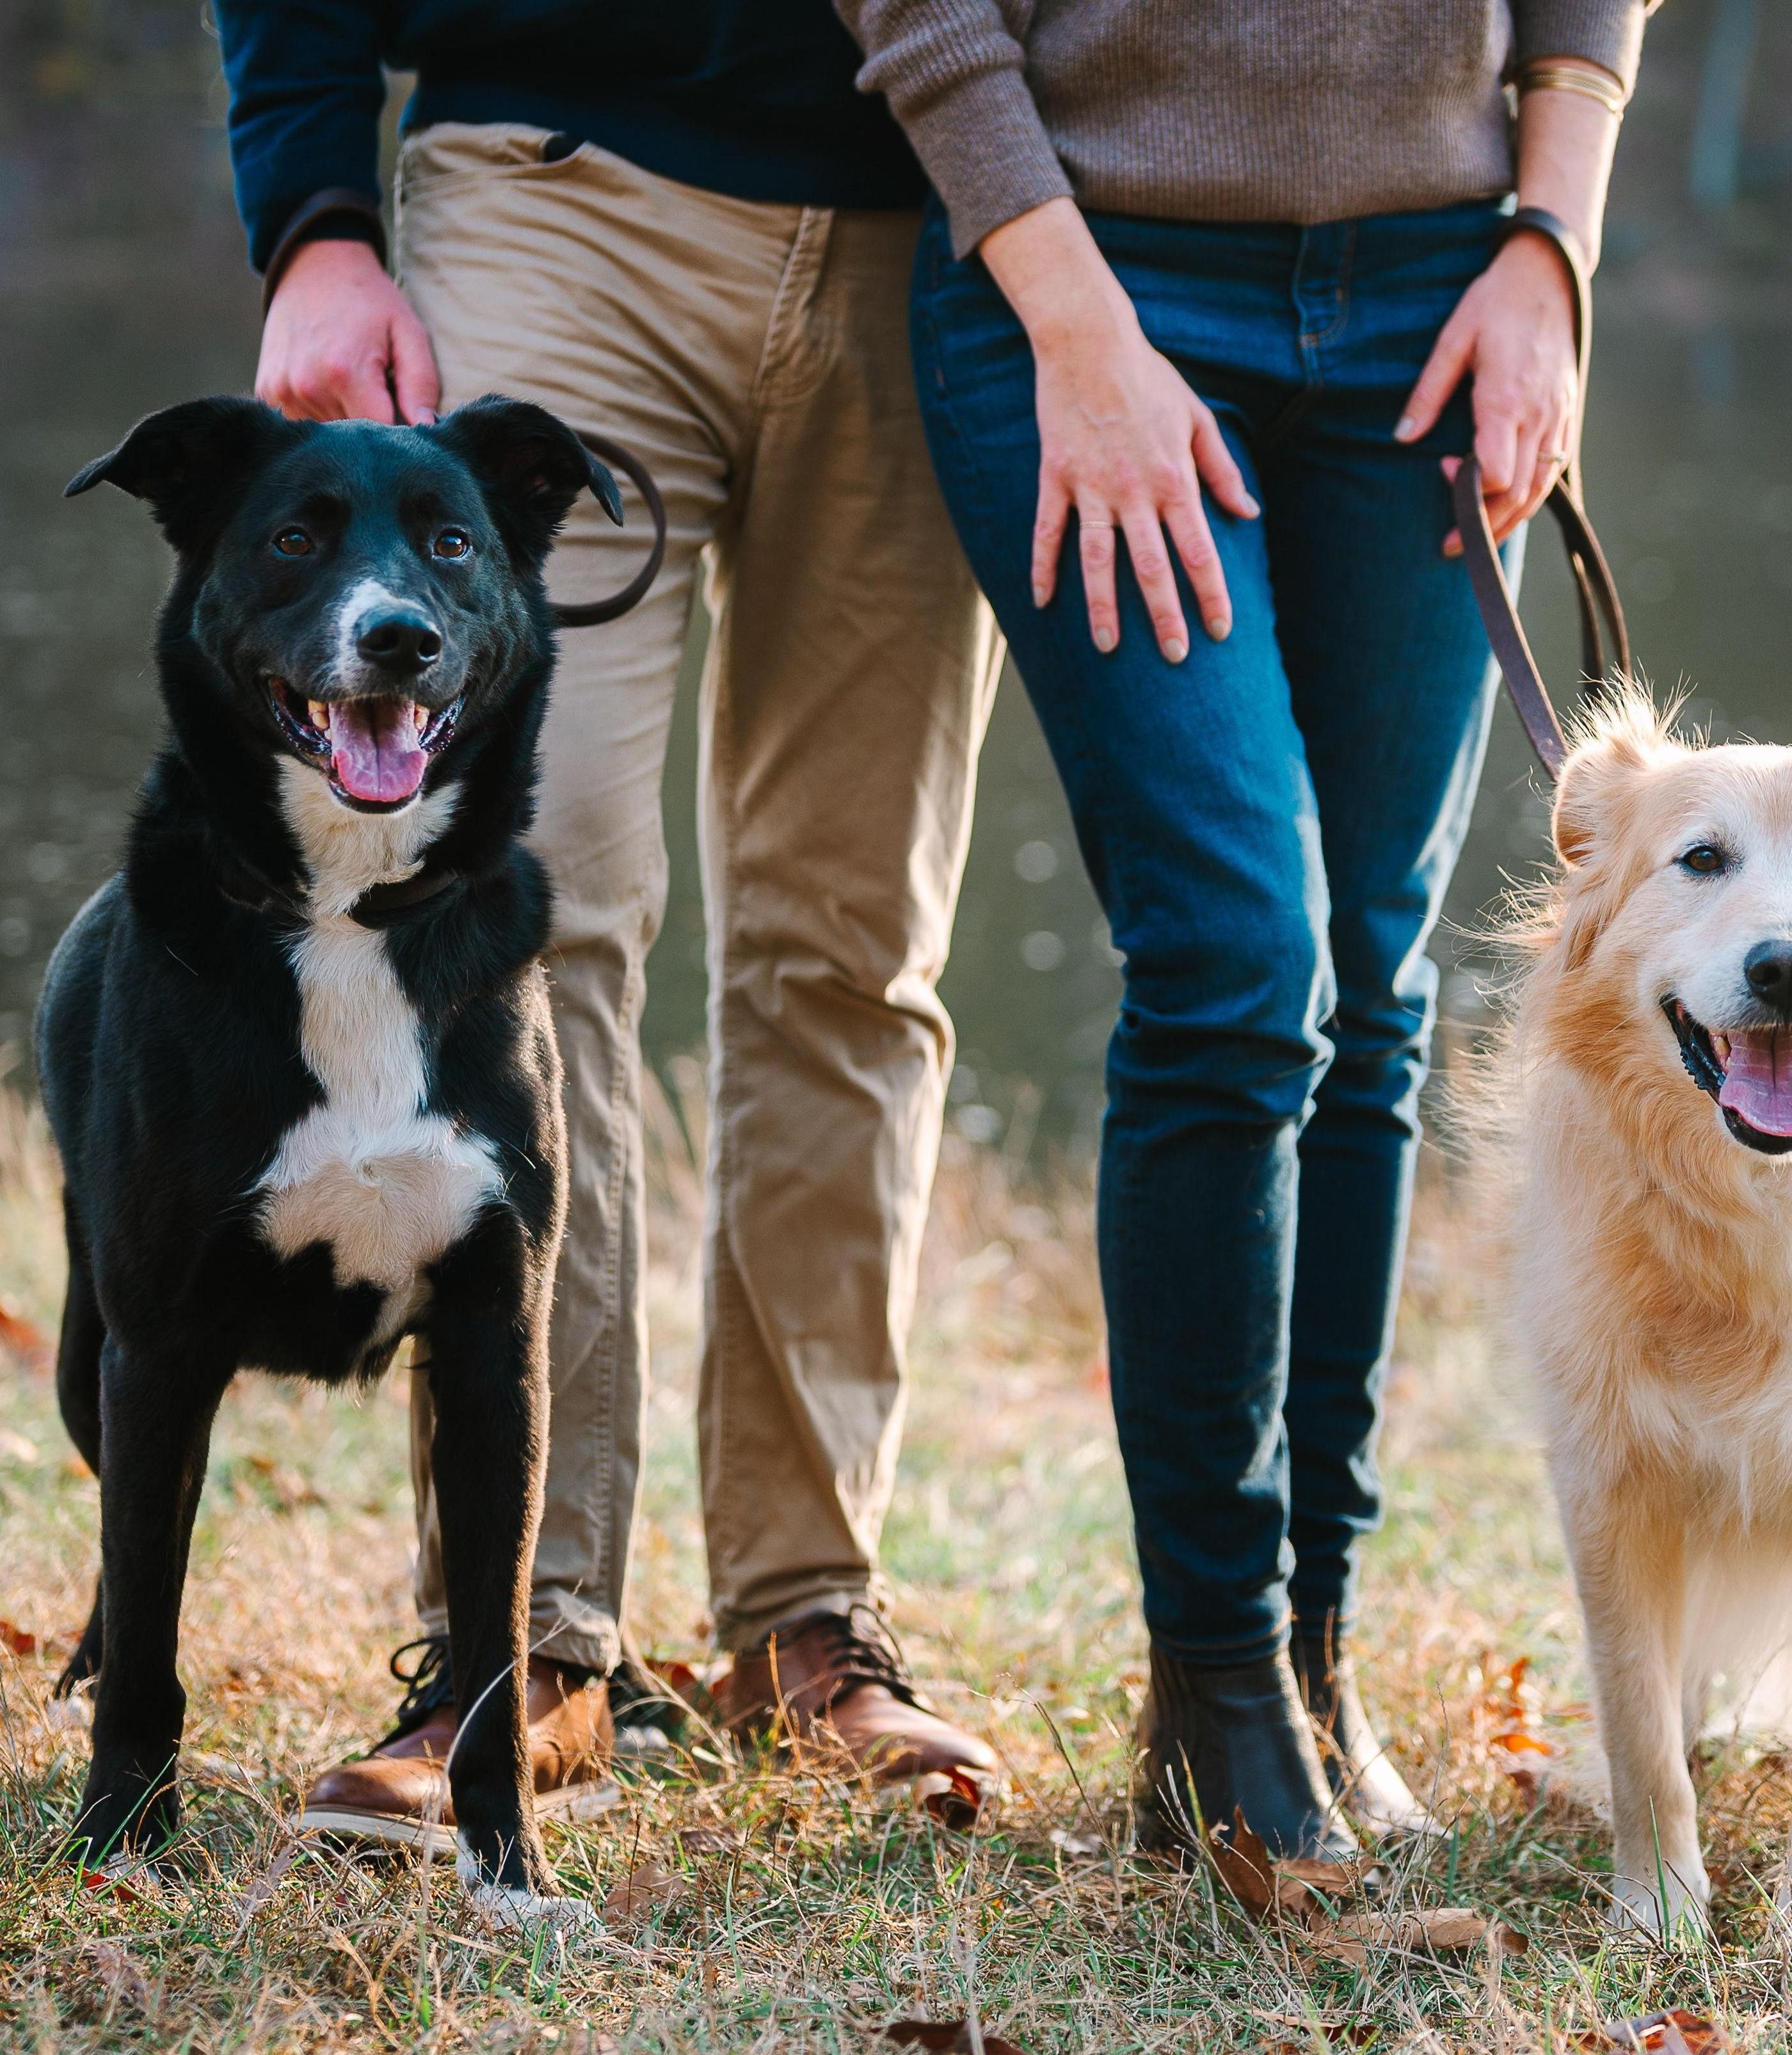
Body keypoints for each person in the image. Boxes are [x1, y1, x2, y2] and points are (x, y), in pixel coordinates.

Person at [837, 0, 1642, 1857]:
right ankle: (1212, 1683)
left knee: (1369, 980)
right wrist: (1070, 317)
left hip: (1445, 290)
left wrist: (1552, 242)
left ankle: (1308, 1656)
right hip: (1090, 282)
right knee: (1232, 961)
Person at [210, 0, 1005, 1844]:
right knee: (524, 914)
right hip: (556, 193)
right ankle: (523, 1642)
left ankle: (808, 1622)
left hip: (937, 215)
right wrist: (315, 208)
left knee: (853, 944)